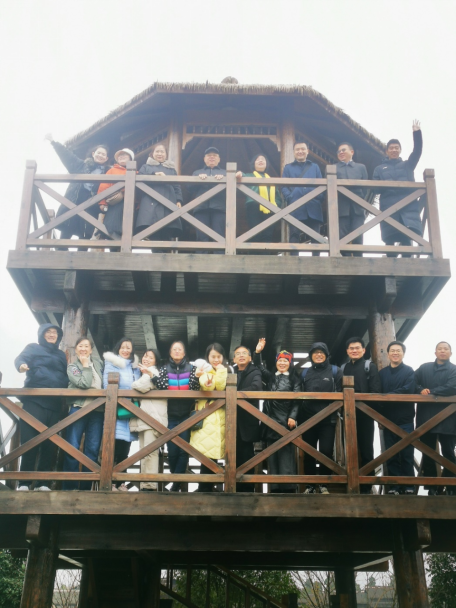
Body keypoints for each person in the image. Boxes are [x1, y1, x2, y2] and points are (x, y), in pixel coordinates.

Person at [15, 324, 68, 491]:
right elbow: (20, 359)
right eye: (48, 332)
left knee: (49, 443)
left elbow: (66, 374)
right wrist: (21, 366)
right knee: (30, 441)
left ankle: (42, 483)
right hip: (34, 400)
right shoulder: (33, 347)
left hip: (54, 404)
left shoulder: (61, 354)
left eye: (55, 333)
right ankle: (24, 483)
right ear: (42, 334)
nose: (52, 335)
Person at [253, 339, 299, 493]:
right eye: (280, 360)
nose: (282, 363)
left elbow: (298, 400)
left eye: (286, 361)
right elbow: (259, 367)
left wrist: (293, 417)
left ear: (290, 363)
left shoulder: (295, 379)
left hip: (286, 422)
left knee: (286, 455)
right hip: (269, 422)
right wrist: (257, 352)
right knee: (271, 455)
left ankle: (288, 489)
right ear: (276, 362)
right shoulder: (272, 377)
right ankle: (274, 488)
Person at [45, 134, 110, 241]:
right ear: (93, 154)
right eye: (98, 153)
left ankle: (82, 252)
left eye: (103, 154)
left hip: (92, 204)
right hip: (75, 200)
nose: (100, 155)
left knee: (86, 231)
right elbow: (67, 156)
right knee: (67, 227)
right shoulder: (81, 165)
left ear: (106, 158)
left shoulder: (107, 172)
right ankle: (61, 250)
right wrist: (54, 143)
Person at [153, 341, 199, 492]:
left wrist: (198, 377)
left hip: (187, 415)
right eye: (174, 349)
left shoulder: (192, 369)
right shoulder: (164, 369)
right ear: (170, 353)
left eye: (180, 349)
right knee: (172, 451)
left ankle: (175, 484)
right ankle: (176, 480)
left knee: (183, 450)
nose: (177, 351)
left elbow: (195, 387)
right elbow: (161, 386)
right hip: (170, 415)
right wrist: (152, 376)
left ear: (184, 353)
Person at [372, 121, 423, 255]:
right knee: (390, 240)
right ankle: (390, 260)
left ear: (400, 150)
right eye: (391, 148)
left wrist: (417, 133)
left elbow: (417, 151)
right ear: (387, 151)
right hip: (388, 207)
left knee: (407, 240)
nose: (394, 150)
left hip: (407, 207)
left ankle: (408, 260)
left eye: (396, 148)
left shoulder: (407, 165)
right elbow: (375, 188)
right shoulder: (379, 169)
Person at [62, 336, 104, 491]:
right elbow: (84, 383)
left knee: (92, 448)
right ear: (76, 349)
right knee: (72, 446)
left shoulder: (99, 364)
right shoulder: (72, 367)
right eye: (80, 346)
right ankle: (70, 487)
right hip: (78, 407)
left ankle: (86, 488)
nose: (83, 349)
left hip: (97, 410)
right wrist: (85, 366)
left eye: (86, 346)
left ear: (91, 350)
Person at [300, 342, 343, 494]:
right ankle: (310, 485)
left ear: (326, 355)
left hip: (328, 419)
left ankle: (324, 484)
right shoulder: (305, 373)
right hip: (308, 419)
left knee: (326, 451)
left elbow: (341, 394)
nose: (318, 355)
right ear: (311, 356)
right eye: (315, 352)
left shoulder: (335, 371)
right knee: (309, 452)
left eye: (321, 352)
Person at [415, 341, 456, 496]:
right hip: (426, 418)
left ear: (450, 353)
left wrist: (431, 392)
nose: (442, 351)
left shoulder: (454, 369)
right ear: (435, 352)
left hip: (449, 419)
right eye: (440, 349)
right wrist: (420, 389)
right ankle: (431, 488)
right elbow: (413, 381)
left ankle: (452, 487)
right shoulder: (424, 368)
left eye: (446, 349)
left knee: (448, 452)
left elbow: (452, 387)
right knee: (428, 453)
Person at [342, 337, 382, 494]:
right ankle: (350, 484)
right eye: (351, 348)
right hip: (347, 416)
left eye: (357, 348)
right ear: (347, 351)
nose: (354, 351)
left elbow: (375, 391)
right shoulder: (344, 368)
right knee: (349, 450)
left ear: (363, 350)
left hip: (365, 415)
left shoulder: (369, 367)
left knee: (366, 450)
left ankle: (366, 486)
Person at [103, 337, 140, 491]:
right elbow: (107, 384)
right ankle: (110, 482)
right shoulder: (112, 362)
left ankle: (121, 482)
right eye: (123, 347)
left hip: (130, 412)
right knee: (114, 448)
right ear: (118, 348)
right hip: (116, 411)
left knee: (125, 450)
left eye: (128, 348)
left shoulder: (135, 367)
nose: (125, 350)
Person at [378, 341, 416, 495]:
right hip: (387, 419)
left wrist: (388, 396)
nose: (395, 353)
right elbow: (377, 392)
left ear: (403, 353)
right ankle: (394, 487)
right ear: (388, 354)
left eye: (398, 351)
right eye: (392, 351)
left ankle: (409, 486)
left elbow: (408, 389)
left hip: (405, 419)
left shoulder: (409, 371)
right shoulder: (382, 373)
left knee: (407, 454)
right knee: (391, 454)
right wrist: (379, 417)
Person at [190, 343, 229, 492]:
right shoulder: (203, 370)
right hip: (206, 417)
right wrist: (208, 378)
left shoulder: (225, 370)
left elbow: (220, 386)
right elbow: (210, 387)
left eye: (219, 356)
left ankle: (208, 488)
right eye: (213, 356)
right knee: (207, 456)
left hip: (220, 418)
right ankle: (204, 489)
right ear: (208, 357)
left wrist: (220, 371)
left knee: (213, 455)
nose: (216, 359)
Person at [130, 349, 167, 492]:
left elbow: (140, 386)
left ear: (156, 361)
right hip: (146, 418)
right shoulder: (146, 373)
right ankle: (145, 484)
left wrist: (132, 384)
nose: (146, 359)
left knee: (150, 452)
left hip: (153, 418)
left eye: (151, 357)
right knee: (144, 452)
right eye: (145, 356)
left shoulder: (153, 371)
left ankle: (150, 486)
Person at [281, 140, 324, 256]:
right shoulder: (288, 168)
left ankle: (316, 262)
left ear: (307, 151)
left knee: (316, 237)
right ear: (294, 152)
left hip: (313, 207)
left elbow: (321, 186)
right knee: (294, 236)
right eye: (297, 149)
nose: (300, 151)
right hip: (296, 207)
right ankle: (294, 262)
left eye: (303, 149)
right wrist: (290, 197)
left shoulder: (314, 167)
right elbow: (283, 186)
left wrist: (318, 197)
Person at [135, 144, 183, 244]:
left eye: (162, 152)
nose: (159, 154)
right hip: (150, 202)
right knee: (153, 232)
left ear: (166, 154)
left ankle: (163, 252)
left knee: (167, 230)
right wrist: (154, 175)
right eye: (157, 151)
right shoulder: (146, 167)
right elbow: (139, 178)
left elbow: (176, 186)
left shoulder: (171, 170)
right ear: (152, 153)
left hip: (169, 200)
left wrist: (179, 200)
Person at [232, 345, 262, 492]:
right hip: (231, 420)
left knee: (247, 455)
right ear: (234, 359)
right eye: (238, 354)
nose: (241, 355)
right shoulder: (230, 372)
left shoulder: (255, 371)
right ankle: (232, 488)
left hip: (248, 420)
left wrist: (234, 394)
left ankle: (248, 490)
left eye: (244, 353)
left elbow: (256, 388)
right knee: (232, 456)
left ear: (250, 357)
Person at [236, 155, 280, 244]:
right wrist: (239, 173)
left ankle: (265, 253)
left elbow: (278, 197)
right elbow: (241, 175)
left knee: (268, 234)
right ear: (253, 164)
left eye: (263, 159)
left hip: (270, 209)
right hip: (253, 206)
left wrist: (276, 206)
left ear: (266, 164)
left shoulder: (271, 179)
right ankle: (254, 253)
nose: (260, 161)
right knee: (255, 234)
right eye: (258, 159)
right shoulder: (249, 176)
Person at [335, 142, 368, 257]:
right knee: (342, 237)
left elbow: (365, 189)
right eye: (339, 151)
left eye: (343, 150)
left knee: (358, 236)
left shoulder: (361, 167)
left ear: (352, 152)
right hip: (341, 207)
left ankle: (358, 261)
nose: (341, 152)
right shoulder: (333, 168)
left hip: (357, 208)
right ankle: (345, 261)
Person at [190, 147, 226, 245]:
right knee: (201, 236)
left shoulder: (225, 173)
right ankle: (201, 254)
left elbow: (234, 189)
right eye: (209, 155)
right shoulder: (197, 172)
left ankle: (219, 254)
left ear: (219, 159)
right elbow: (189, 188)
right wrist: (198, 180)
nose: (212, 157)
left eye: (214, 155)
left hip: (219, 208)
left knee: (219, 236)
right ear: (204, 159)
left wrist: (224, 179)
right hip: (201, 208)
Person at [97, 148, 135, 240]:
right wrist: (102, 203)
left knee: (128, 230)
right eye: (119, 156)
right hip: (115, 203)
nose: (121, 157)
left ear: (130, 158)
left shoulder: (136, 172)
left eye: (124, 155)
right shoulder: (112, 170)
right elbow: (104, 186)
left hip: (130, 205)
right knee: (111, 227)